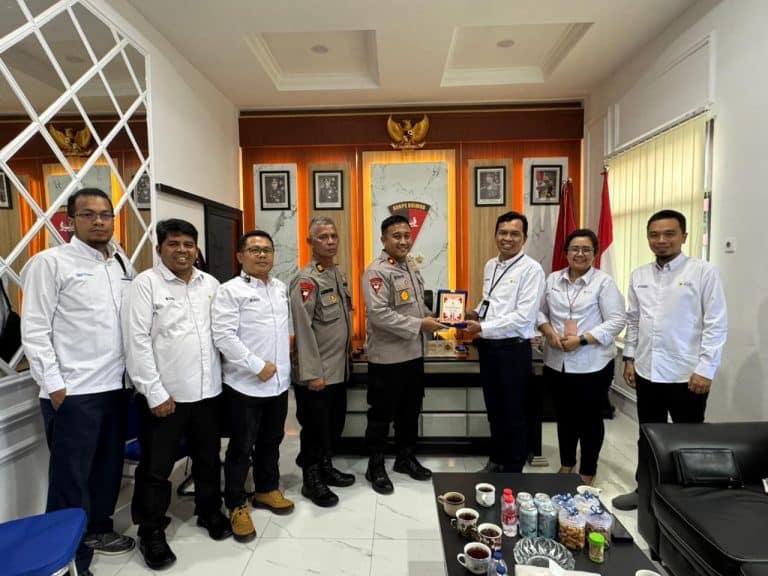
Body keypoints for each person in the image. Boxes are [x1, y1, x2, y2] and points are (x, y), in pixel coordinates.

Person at [21, 188, 135, 576]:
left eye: (105, 214)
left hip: (116, 387)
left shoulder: (120, 263)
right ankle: (68, 560)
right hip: (74, 392)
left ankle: (98, 531)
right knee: (71, 480)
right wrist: (55, 386)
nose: (99, 221)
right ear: (71, 221)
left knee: (107, 470)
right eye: (88, 214)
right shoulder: (50, 263)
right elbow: (35, 330)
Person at [122, 219, 230, 570]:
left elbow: (220, 335)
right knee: (156, 468)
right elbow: (136, 342)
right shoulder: (145, 285)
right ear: (160, 249)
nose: (182, 250)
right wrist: (154, 393)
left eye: (188, 244)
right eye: (174, 244)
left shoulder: (210, 284)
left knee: (208, 458)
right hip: (165, 397)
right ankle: (151, 531)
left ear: (196, 249)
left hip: (208, 393)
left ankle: (209, 510)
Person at [612, 209, 728, 511]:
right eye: (654, 235)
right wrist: (629, 358)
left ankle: (688, 498)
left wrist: (706, 369)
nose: (661, 240)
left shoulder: (703, 272)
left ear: (684, 236)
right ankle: (645, 489)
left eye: (669, 234)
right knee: (648, 435)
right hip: (647, 370)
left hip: (687, 374)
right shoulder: (640, 275)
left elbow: (716, 324)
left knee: (689, 438)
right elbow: (634, 320)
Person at [212, 230, 294, 543]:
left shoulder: (280, 288)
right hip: (244, 385)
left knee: (271, 441)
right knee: (241, 447)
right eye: (255, 250)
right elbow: (224, 336)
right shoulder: (229, 291)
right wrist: (256, 365)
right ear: (240, 256)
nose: (262, 255)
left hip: (278, 384)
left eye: (267, 250)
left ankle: (266, 489)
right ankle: (235, 504)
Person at [362, 214, 446, 494]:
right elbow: (379, 315)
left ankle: (405, 458)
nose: (403, 241)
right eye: (396, 236)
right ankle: (375, 465)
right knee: (381, 415)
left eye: (407, 236)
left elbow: (416, 306)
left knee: (410, 412)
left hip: (413, 354)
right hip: (387, 359)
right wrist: (420, 325)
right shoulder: (376, 272)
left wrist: (438, 316)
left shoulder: (409, 265)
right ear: (384, 240)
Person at [537, 229, 625, 485]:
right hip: (557, 362)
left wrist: (583, 339)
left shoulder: (604, 283)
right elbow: (539, 312)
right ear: (566, 252)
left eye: (586, 249)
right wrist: (549, 332)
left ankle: (588, 469)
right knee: (564, 417)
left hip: (592, 363)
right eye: (575, 248)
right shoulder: (553, 279)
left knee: (589, 419)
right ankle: (567, 463)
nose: (580, 254)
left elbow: (617, 320)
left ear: (595, 253)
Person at [465, 211, 545, 473]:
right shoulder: (491, 265)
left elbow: (524, 316)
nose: (507, 238)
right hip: (489, 348)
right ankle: (496, 459)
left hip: (513, 349)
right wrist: (475, 313)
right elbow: (490, 300)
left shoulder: (532, 269)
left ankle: (512, 470)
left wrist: (482, 326)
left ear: (524, 238)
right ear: (495, 235)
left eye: (514, 234)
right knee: (495, 410)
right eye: (503, 233)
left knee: (514, 413)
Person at [290, 217, 355, 507]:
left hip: (338, 370)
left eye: (333, 236)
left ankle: (326, 467)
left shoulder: (335, 274)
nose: (330, 241)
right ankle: (311, 479)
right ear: (310, 242)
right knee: (314, 429)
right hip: (317, 375)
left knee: (333, 425)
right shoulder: (306, 281)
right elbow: (303, 330)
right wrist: (312, 374)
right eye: (322, 237)